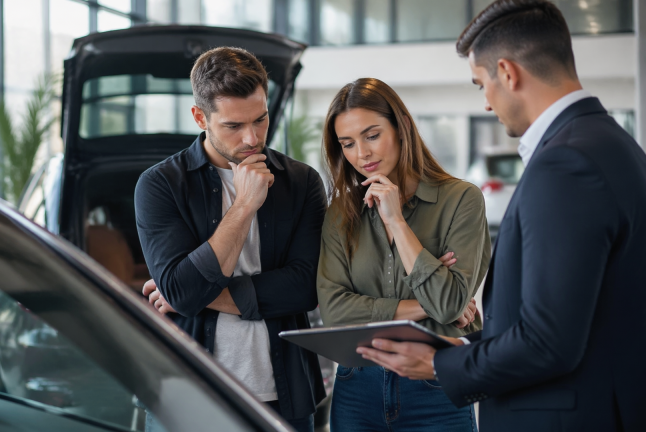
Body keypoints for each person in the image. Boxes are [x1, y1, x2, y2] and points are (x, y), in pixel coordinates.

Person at [356, 1, 646, 431]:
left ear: (508, 73)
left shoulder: (566, 162)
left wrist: (441, 363)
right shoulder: (613, 144)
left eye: (480, 85)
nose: (488, 104)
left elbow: (548, 343)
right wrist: (474, 343)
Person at [134, 46, 326, 432]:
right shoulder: (160, 185)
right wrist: (244, 206)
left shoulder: (302, 182)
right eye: (234, 126)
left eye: (261, 120)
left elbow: (307, 288)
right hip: (188, 397)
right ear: (200, 117)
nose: (252, 138)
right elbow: (182, 290)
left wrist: (197, 293)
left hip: (284, 393)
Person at [317, 77, 491, 431]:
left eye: (372, 135)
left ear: (400, 129)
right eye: (347, 143)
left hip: (435, 384)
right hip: (357, 387)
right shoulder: (340, 212)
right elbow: (334, 311)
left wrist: (396, 221)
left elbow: (450, 303)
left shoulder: (461, 200)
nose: (361, 153)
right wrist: (429, 304)